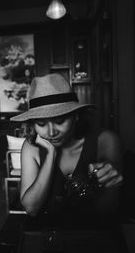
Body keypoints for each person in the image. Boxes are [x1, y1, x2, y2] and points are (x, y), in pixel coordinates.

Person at [10, 73, 123, 228]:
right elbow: (31, 209)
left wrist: (113, 182)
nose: (51, 132)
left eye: (59, 121)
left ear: (76, 116)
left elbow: (107, 211)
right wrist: (51, 154)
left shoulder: (105, 140)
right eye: (41, 123)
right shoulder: (31, 148)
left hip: (93, 237)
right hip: (44, 237)